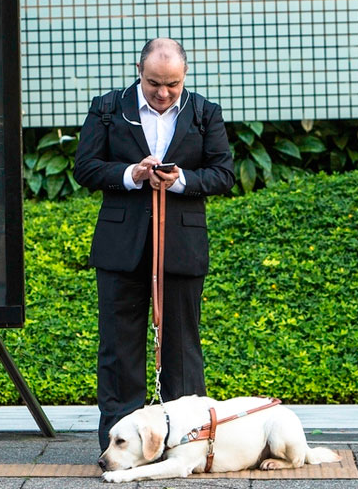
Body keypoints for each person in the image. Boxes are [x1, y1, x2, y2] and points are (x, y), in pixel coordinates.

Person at [74, 38, 235, 452]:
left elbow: (223, 174)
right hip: (120, 246)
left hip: (182, 246)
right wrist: (131, 173)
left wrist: (181, 180)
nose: (163, 94)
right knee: (119, 348)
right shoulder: (108, 108)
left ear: (184, 77)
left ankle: (188, 442)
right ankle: (120, 446)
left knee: (182, 348)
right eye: (153, 84)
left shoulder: (204, 112)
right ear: (139, 72)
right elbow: (86, 168)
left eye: (173, 85)